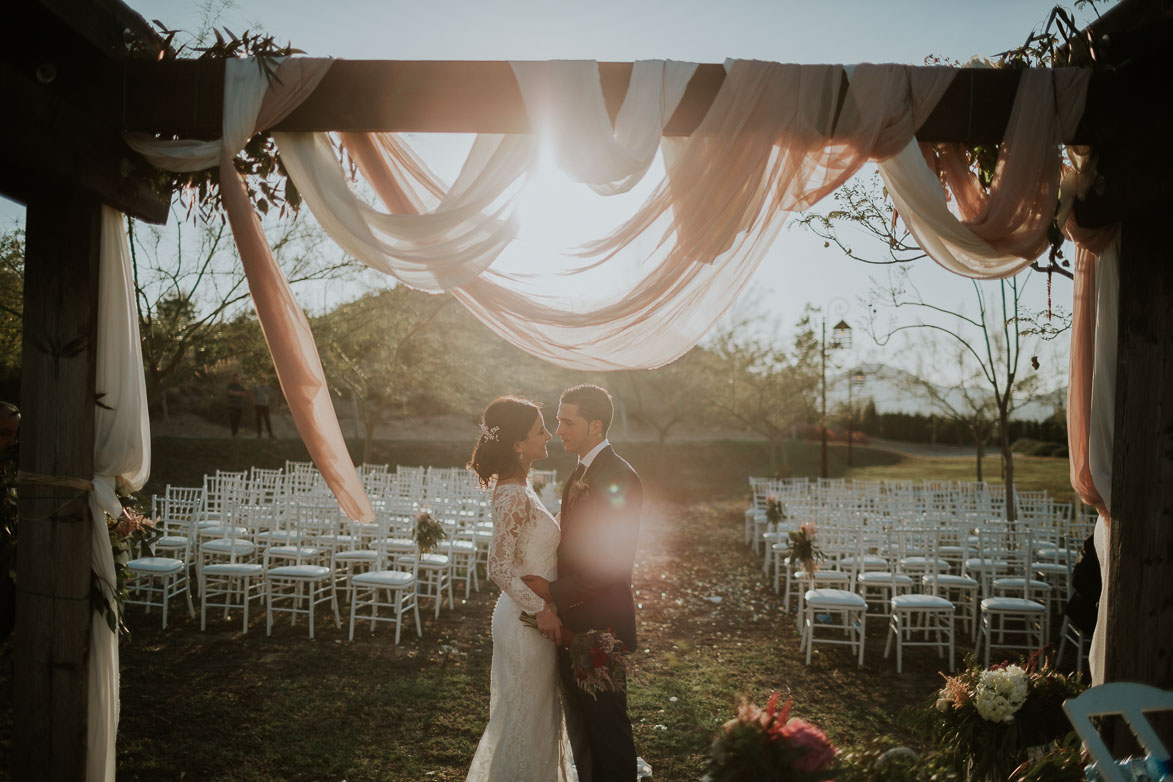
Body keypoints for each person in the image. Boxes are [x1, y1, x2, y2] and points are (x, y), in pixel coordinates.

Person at [523, 384, 643, 782]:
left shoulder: (621, 477)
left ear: (595, 425)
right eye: (557, 421)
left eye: (566, 421)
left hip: (600, 629)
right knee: (583, 731)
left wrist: (553, 591)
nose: (558, 430)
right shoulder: (579, 470)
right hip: (572, 625)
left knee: (607, 730)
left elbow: (611, 564)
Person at [465, 396, 577, 782]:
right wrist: (541, 609)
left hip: (533, 617)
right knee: (526, 715)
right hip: (525, 622)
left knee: (536, 713)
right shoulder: (512, 493)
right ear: (517, 444)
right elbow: (498, 567)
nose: (549, 435)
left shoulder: (523, 487)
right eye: (540, 430)